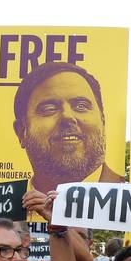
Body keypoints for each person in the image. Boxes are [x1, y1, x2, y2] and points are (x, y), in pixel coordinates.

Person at [13, 61, 121, 194]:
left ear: (102, 121)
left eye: (81, 106)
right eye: (49, 109)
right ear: (21, 131)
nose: (67, 117)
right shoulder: (0, 209)